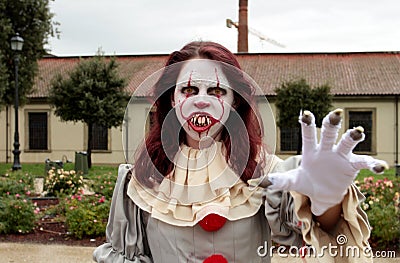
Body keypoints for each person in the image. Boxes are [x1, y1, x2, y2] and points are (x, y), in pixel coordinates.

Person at [93, 41, 387, 263]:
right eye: (189, 90)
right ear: (171, 99)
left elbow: (323, 234)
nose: (201, 102)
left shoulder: (266, 173)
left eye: (217, 92)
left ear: (235, 102)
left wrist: (326, 196)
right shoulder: (141, 180)